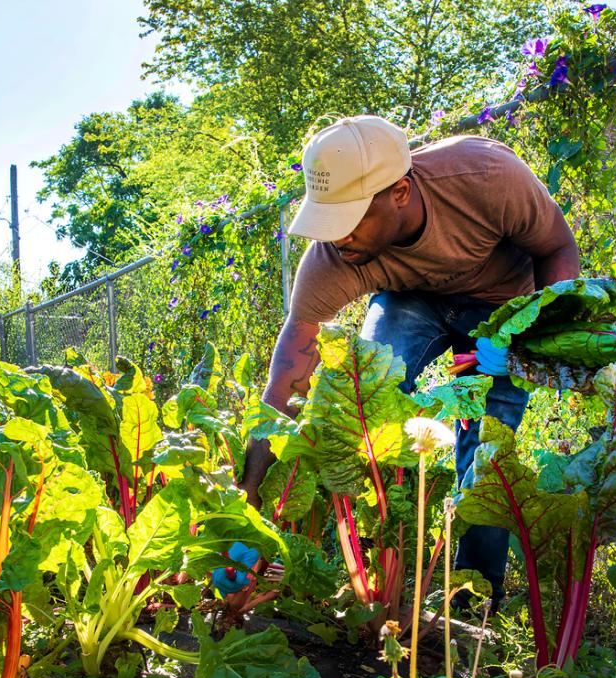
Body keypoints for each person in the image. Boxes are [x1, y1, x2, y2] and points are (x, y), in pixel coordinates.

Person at [240, 115, 579, 607]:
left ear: (399, 192)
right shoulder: (334, 257)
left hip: (498, 310)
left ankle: (475, 601)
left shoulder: (485, 177)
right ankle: (376, 576)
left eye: (349, 218)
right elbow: (288, 383)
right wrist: (248, 492)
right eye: (327, 220)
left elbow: (557, 246)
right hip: (411, 300)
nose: (337, 237)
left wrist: (533, 335)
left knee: (484, 442)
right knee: (363, 394)